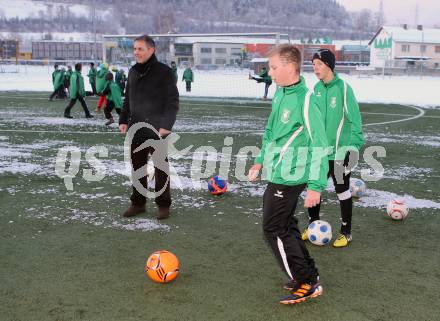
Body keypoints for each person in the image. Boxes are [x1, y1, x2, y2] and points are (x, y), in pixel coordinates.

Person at [247, 44, 328, 305]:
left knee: (273, 229)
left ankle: (306, 282)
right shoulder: (281, 93)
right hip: (278, 171)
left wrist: (316, 186)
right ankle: (308, 273)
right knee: (286, 226)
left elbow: (319, 144)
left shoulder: (306, 98)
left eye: (273, 67)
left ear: (290, 67)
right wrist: (260, 162)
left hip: (292, 175)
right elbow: (271, 132)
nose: (269, 72)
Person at [302, 49, 365, 247]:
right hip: (320, 151)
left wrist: (354, 146)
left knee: (341, 189)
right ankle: (312, 225)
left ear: (329, 65)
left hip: (340, 151)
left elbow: (355, 119)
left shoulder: (344, 88)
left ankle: (346, 232)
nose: (315, 68)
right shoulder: (316, 89)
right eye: (313, 65)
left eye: (319, 64)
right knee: (314, 187)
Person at [119, 35, 179, 220]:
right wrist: (123, 119)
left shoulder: (165, 72)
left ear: (151, 50)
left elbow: (172, 101)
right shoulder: (133, 71)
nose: (136, 52)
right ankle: (138, 203)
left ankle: (163, 205)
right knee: (138, 167)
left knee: (161, 167)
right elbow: (128, 97)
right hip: (136, 126)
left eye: (140, 49)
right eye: (135, 49)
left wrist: (166, 125)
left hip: (157, 128)